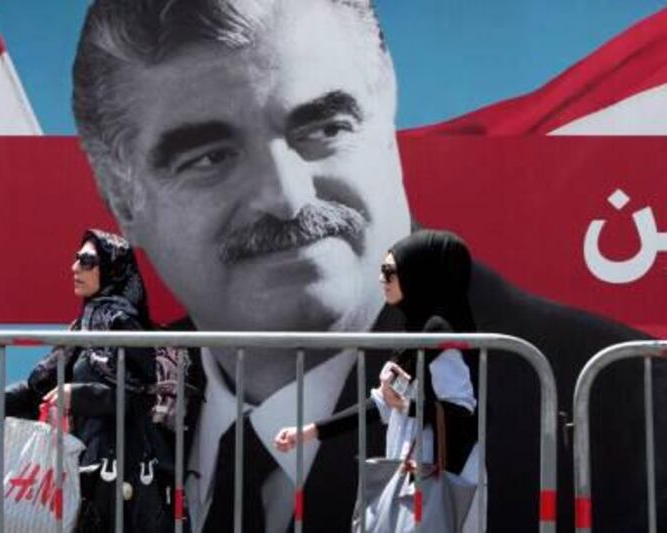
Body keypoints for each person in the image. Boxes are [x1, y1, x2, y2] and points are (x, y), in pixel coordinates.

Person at [71, 1, 662, 532]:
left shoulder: (618, 400)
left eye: (324, 128)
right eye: (209, 158)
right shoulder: (107, 400)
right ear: (123, 200)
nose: (287, 196)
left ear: (387, 121)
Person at [0, 229, 171, 532]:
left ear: (112, 267)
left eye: (87, 261)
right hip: (84, 471)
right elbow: (39, 390)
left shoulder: (125, 325)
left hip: (124, 476)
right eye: (76, 259)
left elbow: (137, 396)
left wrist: (78, 394)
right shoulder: (83, 326)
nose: (75, 268)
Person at [275, 230, 483, 531]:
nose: (382, 280)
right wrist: (311, 431)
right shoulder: (417, 333)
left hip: (443, 478)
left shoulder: (441, 337)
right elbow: (383, 404)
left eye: (390, 272)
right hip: (414, 476)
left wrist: (408, 406)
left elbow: (462, 413)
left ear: (418, 274)